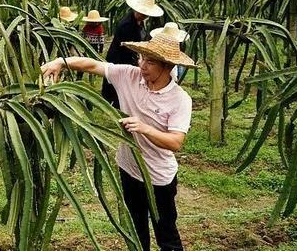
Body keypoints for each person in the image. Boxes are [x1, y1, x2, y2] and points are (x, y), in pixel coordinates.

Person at [41, 24, 197, 251]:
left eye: (150, 62)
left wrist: (144, 128)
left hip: (159, 178)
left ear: (168, 65)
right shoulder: (129, 75)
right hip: (128, 169)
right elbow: (94, 65)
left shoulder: (180, 100)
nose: (142, 66)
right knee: (135, 231)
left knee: (167, 236)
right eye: (141, 58)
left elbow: (175, 142)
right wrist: (61, 62)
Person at [102, 0, 164, 107]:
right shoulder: (127, 25)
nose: (144, 15)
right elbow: (128, 47)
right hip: (120, 58)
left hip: (128, 56)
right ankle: (116, 104)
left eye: (146, 14)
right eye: (143, 13)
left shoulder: (138, 21)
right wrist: (138, 60)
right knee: (118, 82)